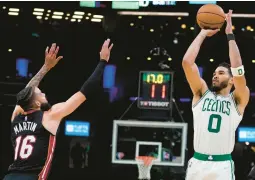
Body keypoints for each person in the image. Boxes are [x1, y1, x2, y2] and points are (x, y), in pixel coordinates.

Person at [4, 39, 113, 180]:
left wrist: (45, 67)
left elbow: (25, 94)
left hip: (10, 176)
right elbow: (84, 92)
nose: (43, 93)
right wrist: (102, 62)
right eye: (40, 93)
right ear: (36, 101)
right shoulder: (49, 116)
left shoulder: (16, 116)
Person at [182, 10, 250, 180]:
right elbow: (186, 62)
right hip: (198, 162)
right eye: (214, 73)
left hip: (222, 166)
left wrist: (230, 36)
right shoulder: (201, 93)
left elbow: (238, 70)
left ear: (232, 80)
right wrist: (202, 33)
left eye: (220, 73)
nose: (215, 75)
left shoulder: (238, 99)